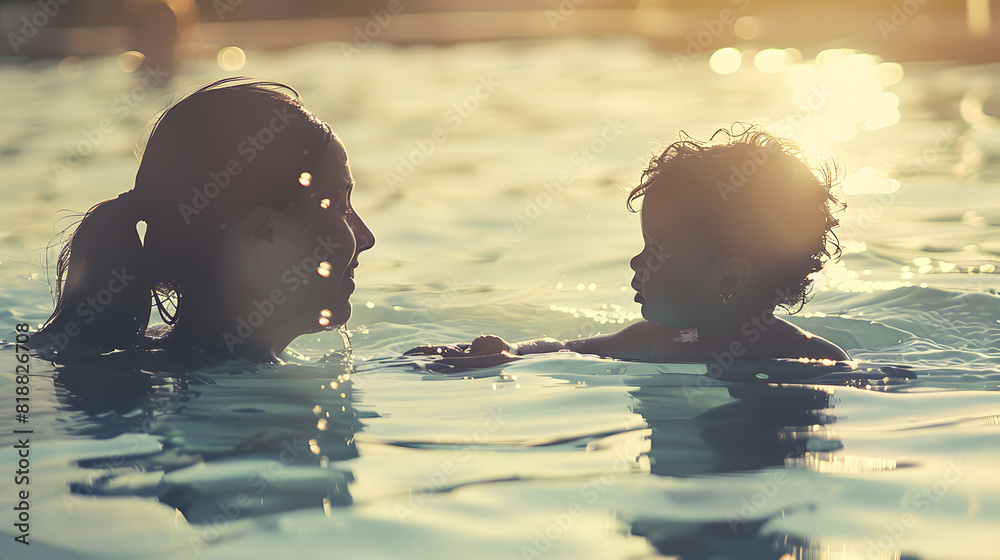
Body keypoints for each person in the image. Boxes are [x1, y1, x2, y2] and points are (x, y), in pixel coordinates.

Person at [408, 125, 848, 367]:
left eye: (657, 247)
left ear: (730, 276)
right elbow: (564, 350)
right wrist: (507, 353)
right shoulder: (657, 340)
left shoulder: (809, 360)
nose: (638, 261)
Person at [32, 79, 374, 363]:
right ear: (265, 235)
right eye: (340, 206)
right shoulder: (241, 410)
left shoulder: (111, 364)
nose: (366, 237)